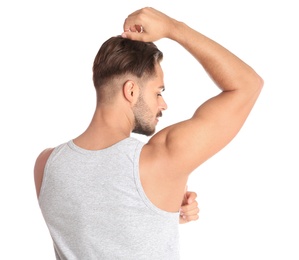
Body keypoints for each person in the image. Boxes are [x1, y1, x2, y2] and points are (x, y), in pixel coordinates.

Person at [34, 7, 263, 260]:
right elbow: (247, 85)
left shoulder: (46, 165)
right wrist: (174, 28)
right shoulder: (162, 158)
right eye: (158, 91)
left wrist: (159, 211)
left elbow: (96, 222)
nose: (163, 104)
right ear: (131, 91)